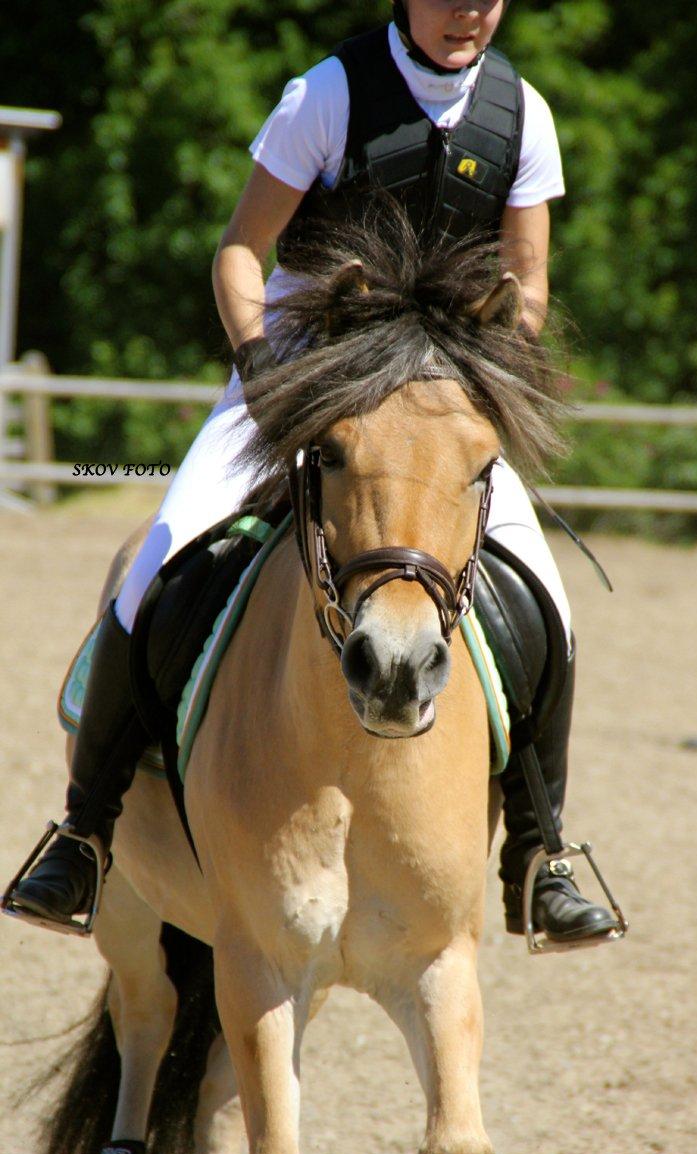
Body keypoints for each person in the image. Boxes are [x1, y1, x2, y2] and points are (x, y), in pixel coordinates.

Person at [9, 0, 615, 944]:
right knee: (160, 558)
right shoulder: (328, 94)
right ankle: (83, 832)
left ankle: (540, 856)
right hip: (305, 363)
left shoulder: (524, 113)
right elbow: (241, 250)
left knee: (548, 600)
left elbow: (528, 280)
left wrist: (486, 349)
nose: (469, 12)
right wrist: (260, 369)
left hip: (437, 387)